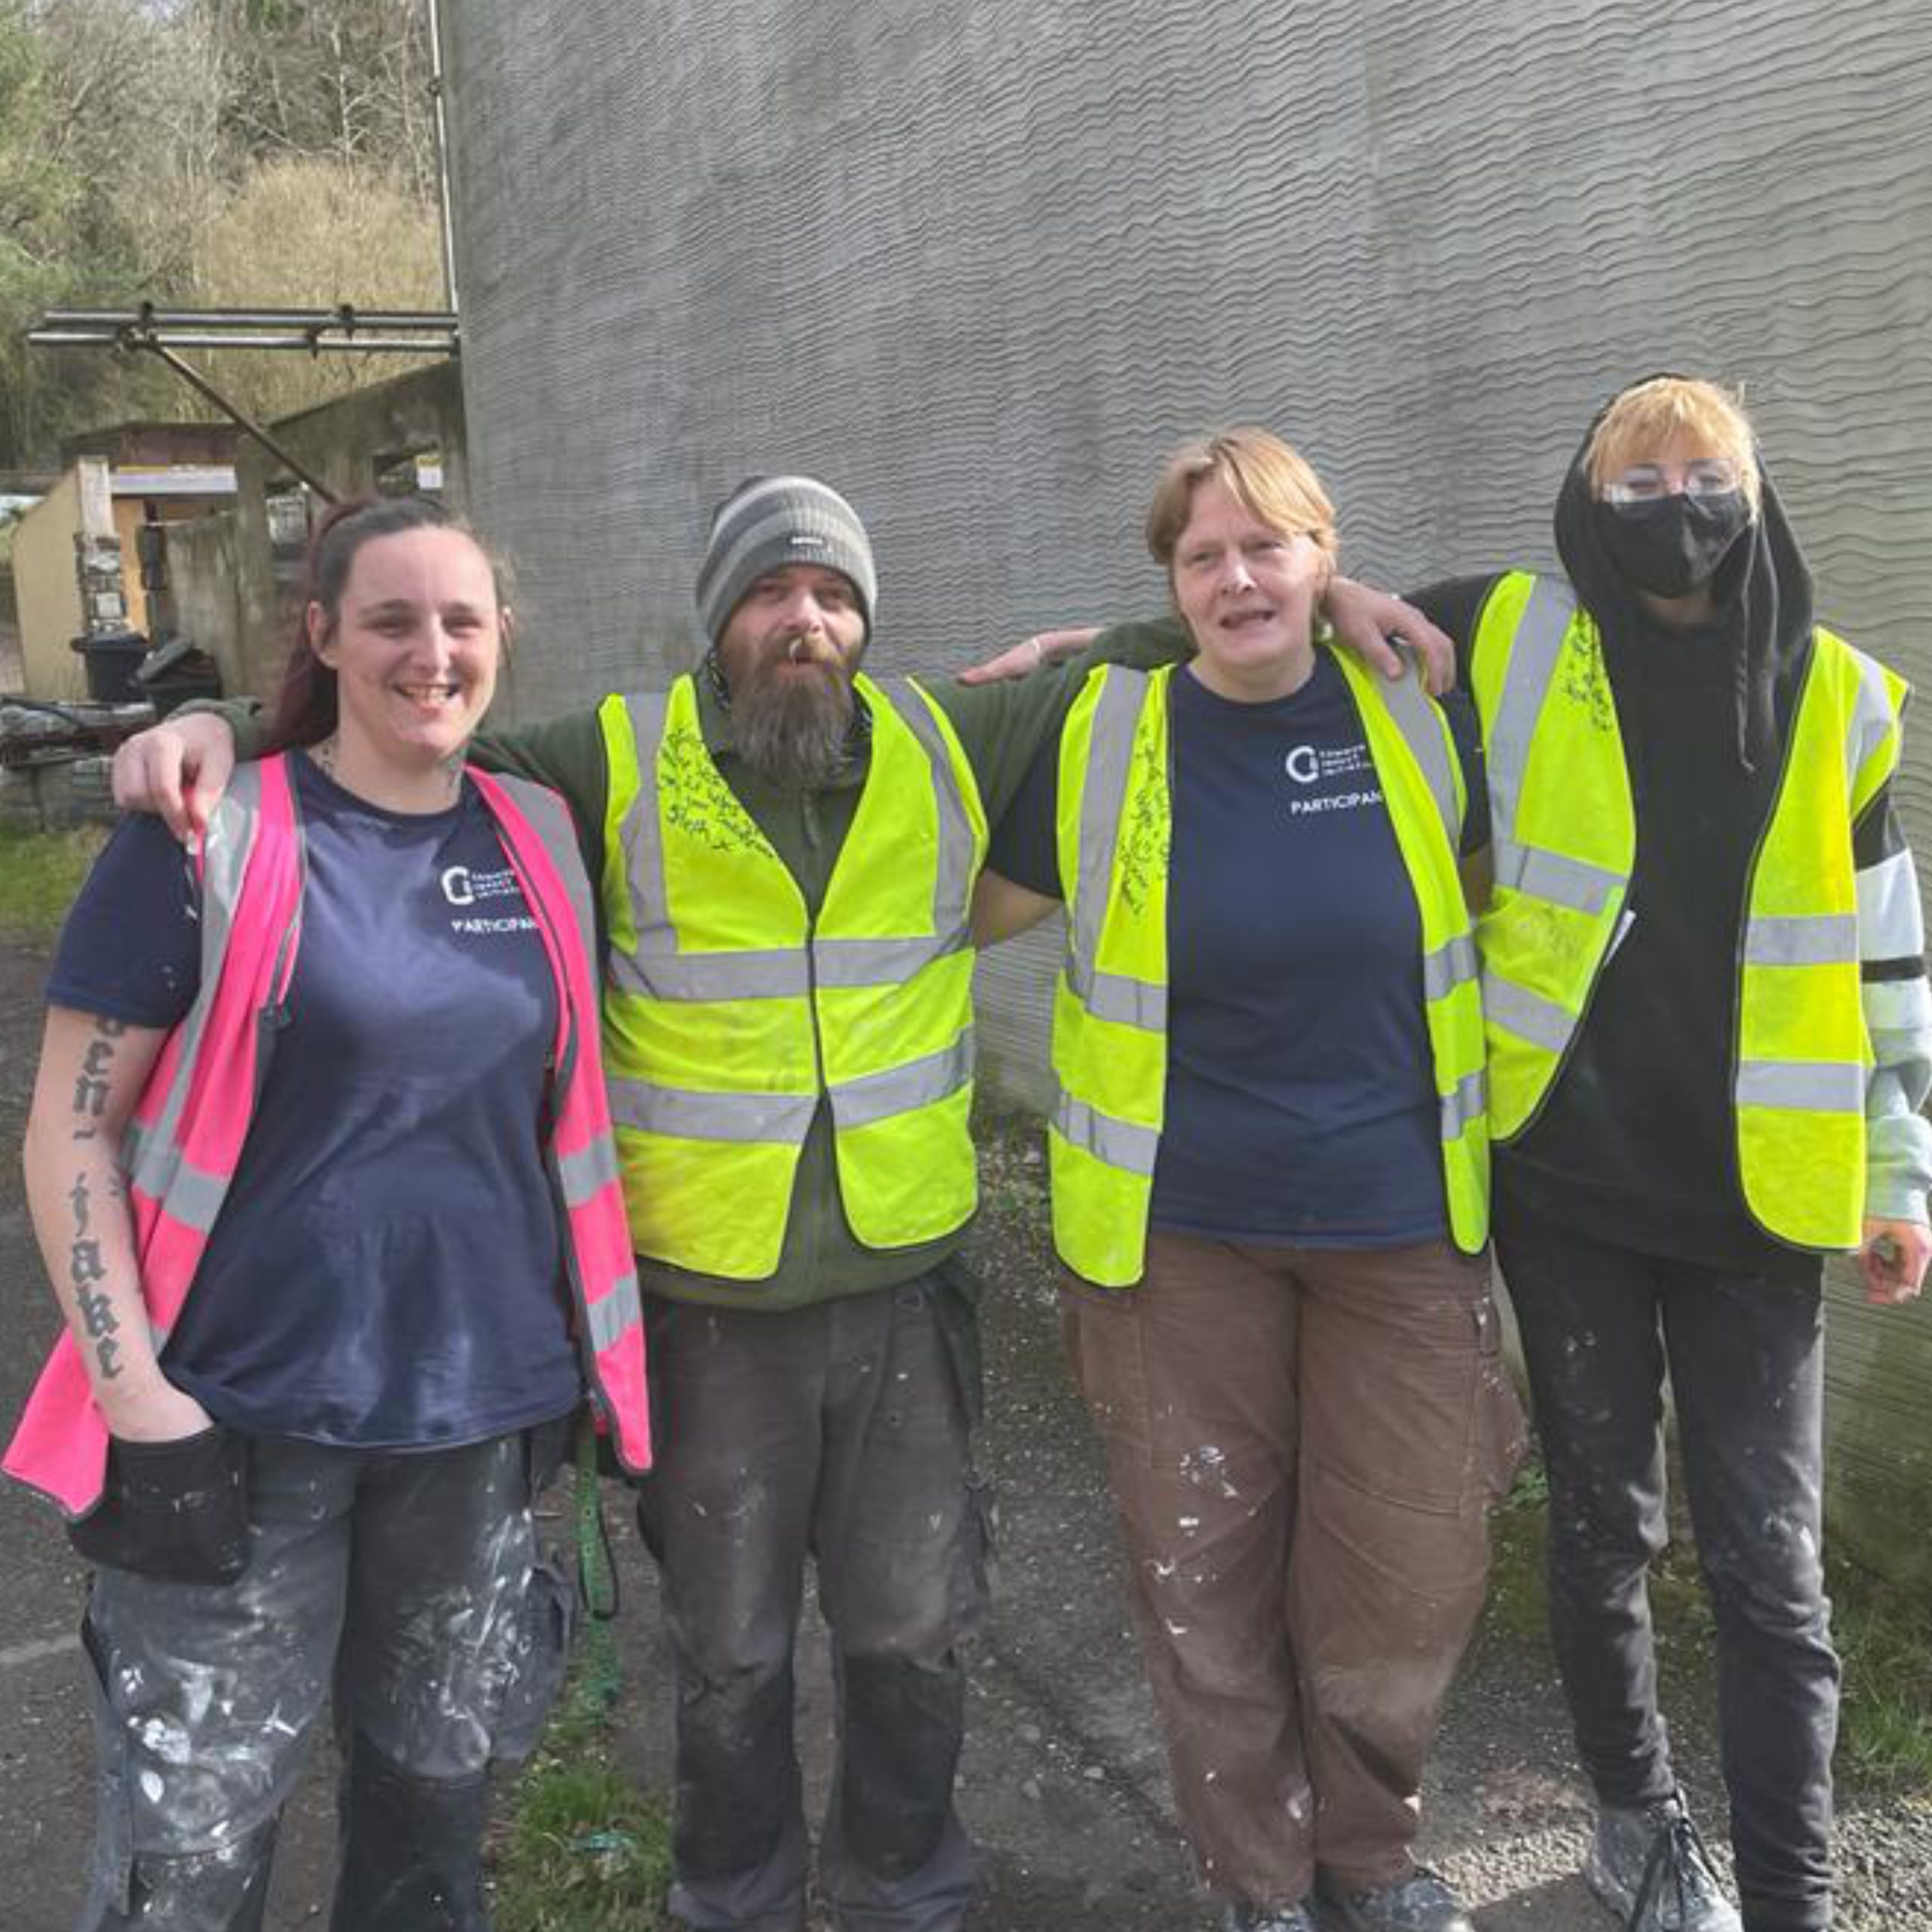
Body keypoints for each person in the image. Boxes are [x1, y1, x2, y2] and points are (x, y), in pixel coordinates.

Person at [107, 474, 1454, 1932]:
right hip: (710, 1308)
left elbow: (1177, 639)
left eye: (831, 595)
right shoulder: (610, 757)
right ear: (718, 623)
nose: (801, 620)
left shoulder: (953, 735)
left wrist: (1331, 595)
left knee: (915, 1636)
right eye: (768, 593)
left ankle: (903, 1897)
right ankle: (731, 1900)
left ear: (866, 622)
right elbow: (406, 719)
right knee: (731, 1652)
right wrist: (221, 723)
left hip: (905, 1292)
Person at [992, 380, 1932, 1932]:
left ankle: (1656, 1879)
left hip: (1605, 1207)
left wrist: (1897, 1171)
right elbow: (1247, 635)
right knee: (1417, 1550)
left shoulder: (1775, 698)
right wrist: (1084, 658)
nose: (1674, 505)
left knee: (1601, 1570)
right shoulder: (1460, 652)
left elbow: (1885, 962)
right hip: (1390, 1207)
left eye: (1705, 476)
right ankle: (1416, 1858)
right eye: (1635, 482)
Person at [4, 494, 651, 1932]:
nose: (432, 654)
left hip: (475, 1427)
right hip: (240, 1427)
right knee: (193, 1852)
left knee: (430, 1820)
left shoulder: (543, 830)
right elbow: (72, 1129)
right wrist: (138, 1403)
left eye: (461, 622)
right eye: (391, 622)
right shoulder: (205, 833)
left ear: (502, 642)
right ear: (322, 636)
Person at [971, 429, 1522, 1932]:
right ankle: (1261, 1881)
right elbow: (950, 907)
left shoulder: (1415, 716)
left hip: (1398, 1226)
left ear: (1326, 562)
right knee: (1198, 1565)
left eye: (1267, 546)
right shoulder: (1100, 732)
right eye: (1199, 554)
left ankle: (1369, 1851)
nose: (1235, 577)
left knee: (1403, 1564)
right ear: (1164, 582)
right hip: (1177, 1237)